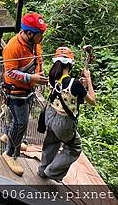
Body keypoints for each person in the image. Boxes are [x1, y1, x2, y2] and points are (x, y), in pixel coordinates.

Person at [38, 46, 96, 182]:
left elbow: (69, 94)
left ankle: (42, 169)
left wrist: (81, 86)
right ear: (70, 65)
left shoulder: (52, 77)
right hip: (63, 122)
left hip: (50, 114)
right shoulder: (74, 84)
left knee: (51, 142)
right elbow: (92, 101)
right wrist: (88, 80)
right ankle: (51, 172)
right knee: (74, 147)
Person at [1, 11, 48, 176]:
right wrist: (31, 77)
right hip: (15, 91)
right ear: (29, 33)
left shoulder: (35, 44)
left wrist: (39, 75)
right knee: (21, 123)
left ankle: (8, 135)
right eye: (40, 34)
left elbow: (38, 61)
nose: (42, 36)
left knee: (16, 120)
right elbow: (10, 72)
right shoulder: (13, 47)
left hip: (28, 89)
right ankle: (10, 154)